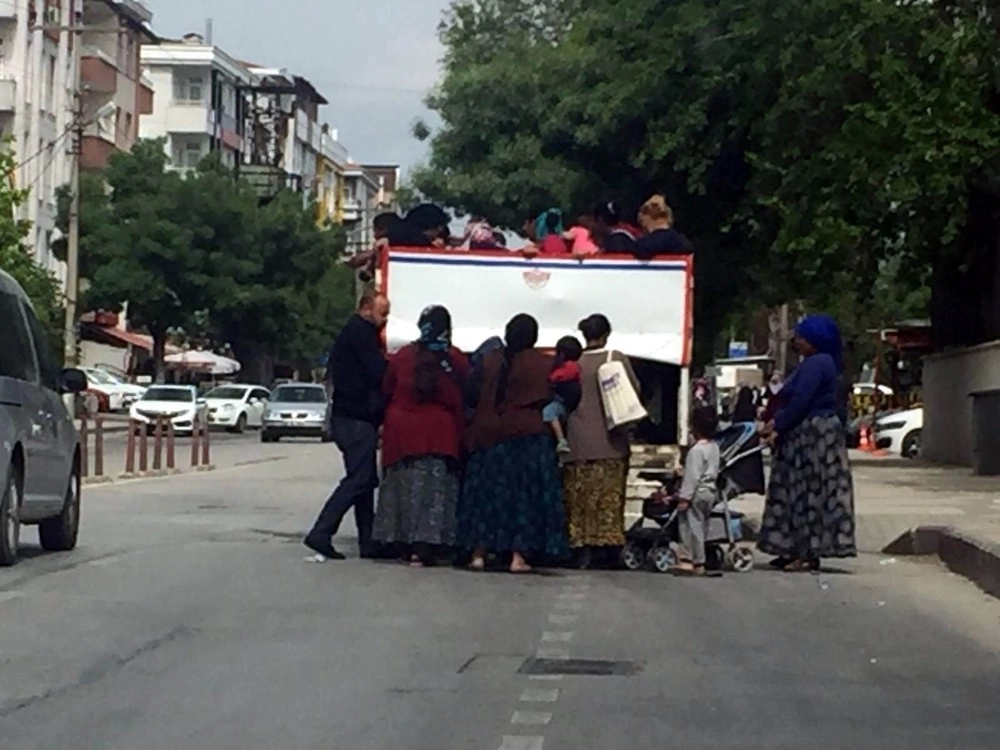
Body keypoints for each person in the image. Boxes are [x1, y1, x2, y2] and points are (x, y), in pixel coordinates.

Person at [458, 314, 569, 573]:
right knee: (523, 498)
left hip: (488, 436)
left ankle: (479, 553)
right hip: (528, 438)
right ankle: (518, 557)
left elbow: (471, 394)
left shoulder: (488, 361)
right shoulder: (545, 364)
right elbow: (561, 396)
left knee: (487, 495)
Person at [758, 314, 857, 572]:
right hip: (811, 433)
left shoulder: (817, 364)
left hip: (812, 437)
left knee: (805, 494)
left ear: (815, 340)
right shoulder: (819, 363)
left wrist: (777, 424)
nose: (797, 342)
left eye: (802, 337)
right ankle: (790, 547)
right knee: (795, 493)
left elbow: (800, 400)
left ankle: (805, 551)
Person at [373, 306, 469, 567]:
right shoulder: (454, 359)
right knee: (436, 493)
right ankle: (428, 546)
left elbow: (386, 389)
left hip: (402, 433)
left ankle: (402, 543)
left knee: (402, 490)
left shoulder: (403, 357)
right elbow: (467, 393)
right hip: (440, 434)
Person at [305, 294, 391, 561]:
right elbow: (378, 372)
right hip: (355, 419)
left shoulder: (354, 333)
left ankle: (368, 540)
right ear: (366, 310)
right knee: (360, 479)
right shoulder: (361, 335)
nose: (385, 319)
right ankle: (321, 532)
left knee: (363, 480)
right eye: (382, 312)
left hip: (349, 417)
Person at [562, 313, 641, 568]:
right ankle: (606, 550)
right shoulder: (614, 359)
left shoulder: (574, 362)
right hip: (611, 443)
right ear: (606, 334)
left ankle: (580, 547)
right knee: (608, 499)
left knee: (580, 499)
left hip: (577, 442)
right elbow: (634, 391)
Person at [672, 406, 721, 577]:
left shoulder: (696, 451)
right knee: (702, 525)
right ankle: (700, 558)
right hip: (710, 492)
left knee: (689, 526)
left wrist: (684, 497)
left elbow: (692, 477)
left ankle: (691, 560)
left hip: (697, 492)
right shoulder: (714, 448)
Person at [543, 335, 583, 453]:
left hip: (562, 402)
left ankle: (561, 440)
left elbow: (557, 377)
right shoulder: (576, 365)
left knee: (548, 412)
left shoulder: (570, 367)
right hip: (566, 401)